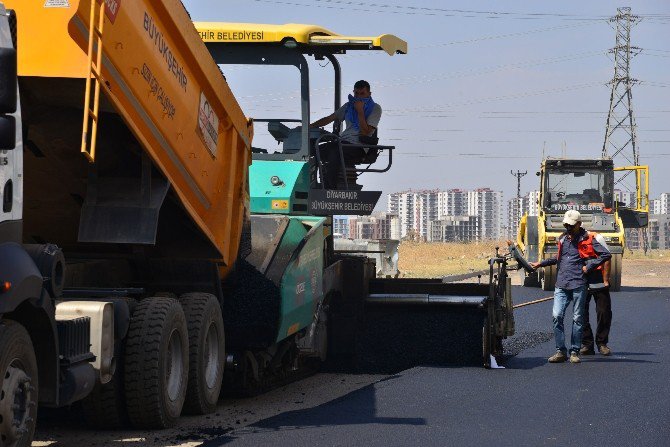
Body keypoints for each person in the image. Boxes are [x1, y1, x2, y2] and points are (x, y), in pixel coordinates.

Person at [529, 209, 611, 364]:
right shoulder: (562, 239)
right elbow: (558, 258)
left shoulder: (588, 239)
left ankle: (574, 351)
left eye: (571, 225)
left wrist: (589, 266)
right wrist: (541, 263)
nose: (568, 227)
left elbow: (606, 255)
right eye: (566, 224)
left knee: (577, 319)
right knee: (557, 316)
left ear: (579, 224)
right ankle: (561, 351)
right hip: (561, 284)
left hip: (578, 284)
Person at [309, 80, 382, 188]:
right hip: (343, 142)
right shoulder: (349, 106)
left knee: (335, 151)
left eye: (362, 94)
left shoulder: (375, 108)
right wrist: (309, 126)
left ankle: (331, 188)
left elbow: (366, 131)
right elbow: (330, 118)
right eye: (356, 93)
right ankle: (314, 183)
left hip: (359, 146)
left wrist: (360, 111)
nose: (359, 97)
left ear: (369, 94)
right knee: (314, 150)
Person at [581, 249, 613, 356]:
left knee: (604, 311)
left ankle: (602, 343)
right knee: (581, 313)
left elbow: (607, 258)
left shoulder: (596, 238)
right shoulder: (572, 240)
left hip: (598, 278)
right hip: (581, 280)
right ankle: (587, 344)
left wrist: (605, 279)